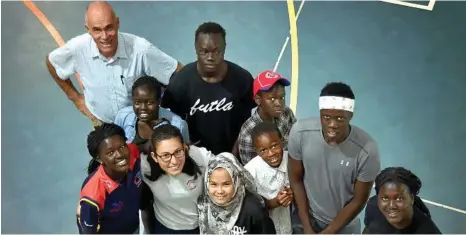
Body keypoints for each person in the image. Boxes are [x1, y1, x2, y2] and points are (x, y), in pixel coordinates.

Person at [46, 1, 183, 127]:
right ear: (88, 29)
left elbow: (178, 73)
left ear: (117, 23)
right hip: (102, 123)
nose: (104, 36)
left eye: (109, 28)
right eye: (97, 30)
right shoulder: (77, 49)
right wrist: (75, 98)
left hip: (142, 124)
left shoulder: (141, 49)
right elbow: (52, 62)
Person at [288, 82, 381, 234]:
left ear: (350, 115)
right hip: (305, 217)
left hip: (343, 226)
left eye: (340, 119)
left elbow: (358, 201)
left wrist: (329, 232)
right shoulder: (300, 133)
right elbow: (295, 179)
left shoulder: (367, 150)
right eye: (326, 117)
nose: (332, 125)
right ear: (320, 113)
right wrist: (306, 226)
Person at [161, 22, 256, 155]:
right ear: (196, 48)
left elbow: (249, 121)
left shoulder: (242, 79)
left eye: (216, 51)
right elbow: (170, 120)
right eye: (204, 51)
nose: (210, 57)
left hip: (233, 155)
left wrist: (235, 153)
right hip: (195, 156)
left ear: (224, 48)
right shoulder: (180, 82)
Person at [139, 124, 214, 234]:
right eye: (165, 155)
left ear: (185, 148)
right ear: (154, 156)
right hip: (165, 228)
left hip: (200, 227)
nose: (174, 161)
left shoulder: (199, 156)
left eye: (178, 151)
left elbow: (228, 167)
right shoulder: (145, 166)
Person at [76, 123, 143, 234]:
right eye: (110, 152)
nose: (120, 154)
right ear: (99, 158)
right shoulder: (93, 195)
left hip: (136, 226)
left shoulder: (133, 152)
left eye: (122, 146)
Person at [198, 152, 277, 234]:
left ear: (236, 182)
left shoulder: (253, 210)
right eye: (214, 184)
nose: (220, 191)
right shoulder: (205, 204)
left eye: (226, 184)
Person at [114, 75, 189, 154]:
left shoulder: (177, 125)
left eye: (150, 102)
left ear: (159, 101)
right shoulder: (123, 116)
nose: (143, 108)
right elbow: (115, 146)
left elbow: (183, 154)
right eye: (137, 103)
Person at [238, 70, 296, 165]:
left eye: (282, 97)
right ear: (258, 100)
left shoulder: (286, 113)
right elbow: (251, 169)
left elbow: (296, 139)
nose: (279, 104)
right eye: (272, 99)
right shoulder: (248, 133)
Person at [244, 122, 293, 234]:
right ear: (256, 151)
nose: (271, 153)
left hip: (292, 223)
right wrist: (274, 202)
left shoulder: (292, 159)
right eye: (263, 150)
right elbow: (248, 204)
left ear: (282, 141)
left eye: (274, 146)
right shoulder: (250, 171)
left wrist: (293, 193)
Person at [363, 167, 442, 234]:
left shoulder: (428, 231)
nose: (391, 206)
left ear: (411, 198)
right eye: (385, 198)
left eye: (399, 198)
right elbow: (368, 230)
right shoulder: (373, 206)